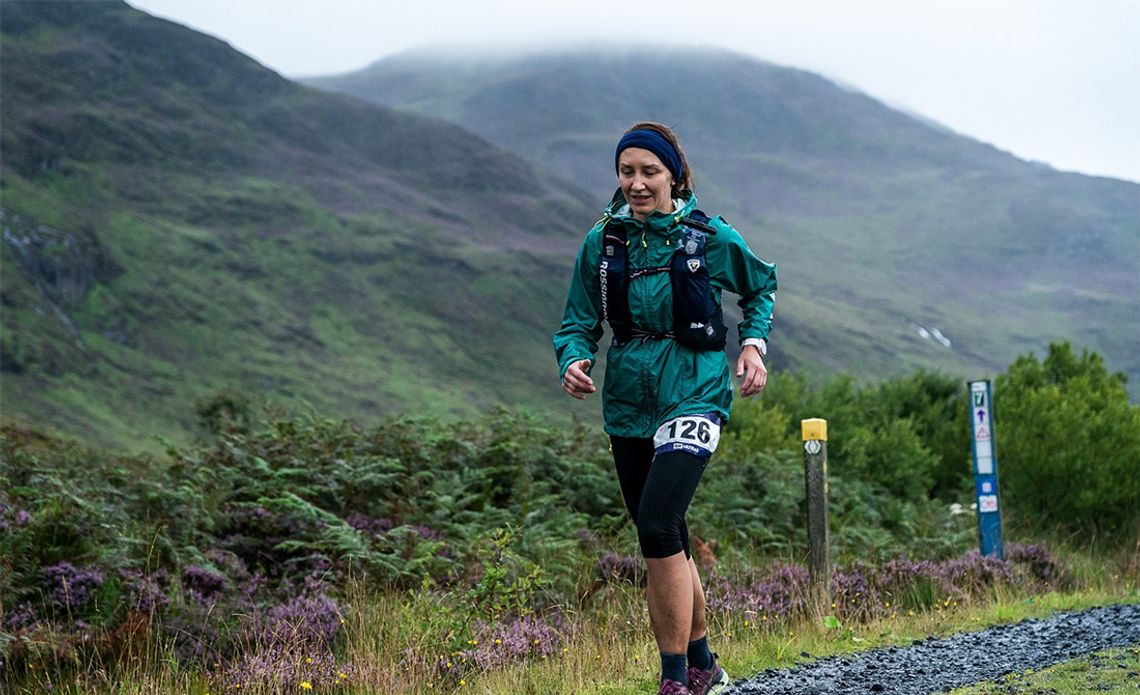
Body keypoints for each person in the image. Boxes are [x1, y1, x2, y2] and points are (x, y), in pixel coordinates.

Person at [553, 122, 777, 695]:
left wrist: (752, 344)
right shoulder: (601, 242)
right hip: (628, 398)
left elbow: (760, 286)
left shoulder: (710, 236)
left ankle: (675, 679)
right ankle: (705, 666)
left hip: (696, 389)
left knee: (656, 523)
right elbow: (578, 321)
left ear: (673, 174)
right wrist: (573, 358)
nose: (637, 183)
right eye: (627, 172)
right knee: (664, 529)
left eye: (649, 171)